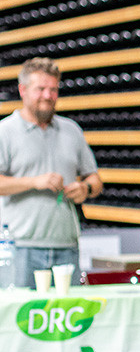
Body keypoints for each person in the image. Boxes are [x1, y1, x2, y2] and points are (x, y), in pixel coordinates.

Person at [0, 57, 102, 288]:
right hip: (20, 247)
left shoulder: (71, 130)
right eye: (41, 89)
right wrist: (34, 181)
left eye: (53, 89)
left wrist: (84, 188)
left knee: (70, 320)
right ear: (23, 90)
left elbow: (94, 179)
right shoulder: (5, 131)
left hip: (66, 246)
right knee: (23, 320)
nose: (48, 95)